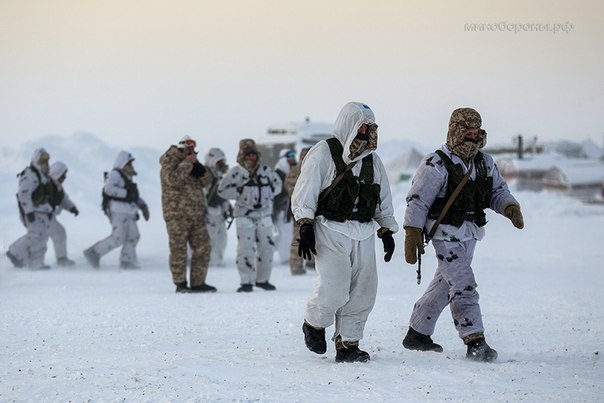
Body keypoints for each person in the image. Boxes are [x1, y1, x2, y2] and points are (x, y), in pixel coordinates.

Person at [402, 107, 525, 362]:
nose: (473, 136)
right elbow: (417, 201)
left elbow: (497, 191)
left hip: (470, 233)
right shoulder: (435, 163)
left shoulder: (484, 162)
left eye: (476, 131)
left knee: (444, 285)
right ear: (456, 131)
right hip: (445, 235)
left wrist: (509, 207)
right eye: (468, 131)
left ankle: (417, 333)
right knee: (463, 284)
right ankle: (474, 340)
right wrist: (412, 233)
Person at [291, 102, 398, 363]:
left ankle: (348, 344)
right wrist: (305, 225)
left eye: (369, 126)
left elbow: (382, 196)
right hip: (330, 228)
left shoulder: (373, 160)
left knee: (364, 290)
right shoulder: (323, 153)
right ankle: (314, 323)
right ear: (349, 123)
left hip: (363, 232)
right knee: (335, 287)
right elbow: (305, 191)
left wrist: (386, 230)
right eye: (361, 125)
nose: (365, 131)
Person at [217, 138, 282, 292]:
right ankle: (246, 281)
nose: (250, 157)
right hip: (244, 216)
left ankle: (263, 279)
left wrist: (269, 193)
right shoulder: (236, 173)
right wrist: (238, 193)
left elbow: (278, 184)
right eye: (247, 155)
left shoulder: (266, 171)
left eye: (253, 154)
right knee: (245, 249)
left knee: (267, 248)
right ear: (242, 155)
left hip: (264, 215)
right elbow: (222, 190)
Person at [159, 136, 217, 293]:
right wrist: (187, 164)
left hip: (196, 215)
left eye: (193, 150)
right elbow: (172, 180)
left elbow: (207, 181)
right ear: (181, 149)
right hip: (177, 215)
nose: (191, 152)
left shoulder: (192, 164)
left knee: (203, 248)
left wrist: (197, 166)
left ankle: (198, 282)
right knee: (179, 249)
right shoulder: (169, 162)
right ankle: (180, 284)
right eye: (188, 149)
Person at [84, 150, 149, 269]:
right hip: (118, 212)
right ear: (123, 163)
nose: (131, 166)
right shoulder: (115, 174)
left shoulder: (127, 178)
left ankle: (127, 260)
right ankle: (94, 253)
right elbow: (108, 189)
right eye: (129, 164)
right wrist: (126, 194)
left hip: (129, 213)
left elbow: (133, 196)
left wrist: (143, 206)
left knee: (134, 236)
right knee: (118, 238)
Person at [7, 147, 58, 270]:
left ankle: (36, 263)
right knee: (35, 235)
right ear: (36, 160)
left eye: (46, 160)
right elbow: (23, 194)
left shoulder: (44, 177)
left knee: (43, 238)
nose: (45, 163)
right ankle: (14, 251)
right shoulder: (30, 174)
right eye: (42, 160)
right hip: (33, 211)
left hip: (43, 212)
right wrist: (29, 211)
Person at [284, 147, 313, 275]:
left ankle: (310, 262)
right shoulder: (300, 171)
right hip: (301, 210)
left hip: (305, 210)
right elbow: (290, 189)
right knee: (299, 239)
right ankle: (296, 266)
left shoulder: (309, 169)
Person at [204, 147, 232, 268]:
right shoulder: (205, 175)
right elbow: (202, 194)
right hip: (208, 212)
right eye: (218, 162)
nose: (221, 164)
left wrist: (228, 208)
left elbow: (222, 195)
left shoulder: (220, 176)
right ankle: (209, 261)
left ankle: (218, 259)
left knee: (222, 238)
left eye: (222, 161)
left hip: (219, 212)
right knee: (209, 238)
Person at [48, 161, 79, 266]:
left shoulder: (57, 186)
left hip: (48, 217)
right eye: (63, 175)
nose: (65, 177)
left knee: (41, 236)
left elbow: (63, 199)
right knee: (55, 234)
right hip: (43, 217)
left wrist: (72, 207)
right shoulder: (48, 185)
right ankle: (61, 259)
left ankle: (15, 254)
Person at [272, 148, 297, 264]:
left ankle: (272, 247)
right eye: (289, 159)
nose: (291, 160)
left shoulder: (295, 171)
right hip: (281, 209)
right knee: (285, 233)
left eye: (293, 158)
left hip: (292, 209)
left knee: (289, 233)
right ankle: (285, 257)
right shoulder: (276, 174)